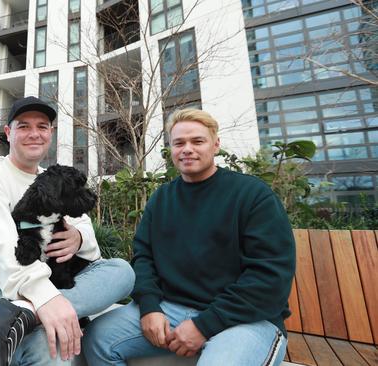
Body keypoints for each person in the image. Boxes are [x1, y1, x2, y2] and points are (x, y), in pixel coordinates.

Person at [83, 109, 296, 365]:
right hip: (171, 308)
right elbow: (143, 257)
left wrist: (204, 325)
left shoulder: (252, 195)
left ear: (215, 145)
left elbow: (270, 278)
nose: (187, 149)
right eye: (179, 143)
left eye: (197, 141)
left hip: (246, 318)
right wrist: (149, 306)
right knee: (97, 339)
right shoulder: (161, 199)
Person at [0, 96, 134, 366]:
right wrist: (46, 299)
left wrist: (78, 239)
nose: (34, 134)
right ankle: (25, 314)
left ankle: (26, 313)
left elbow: (90, 241)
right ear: (8, 133)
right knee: (56, 350)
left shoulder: (55, 179)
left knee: (121, 270)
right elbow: (2, 248)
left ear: (50, 134)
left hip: (37, 293)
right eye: (24, 126)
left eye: (42, 127)